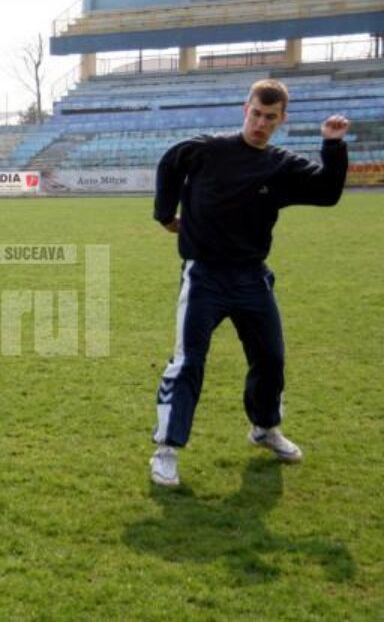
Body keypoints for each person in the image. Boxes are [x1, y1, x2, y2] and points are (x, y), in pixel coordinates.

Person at [149, 79, 350, 487]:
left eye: (270, 118)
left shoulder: (280, 166)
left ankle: (264, 428)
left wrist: (332, 144)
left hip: (251, 278)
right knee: (188, 361)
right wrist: (166, 215)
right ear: (246, 109)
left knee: (271, 359)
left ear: (281, 120)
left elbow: (328, 192)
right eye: (256, 114)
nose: (260, 123)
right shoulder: (207, 150)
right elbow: (169, 163)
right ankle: (166, 450)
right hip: (204, 275)